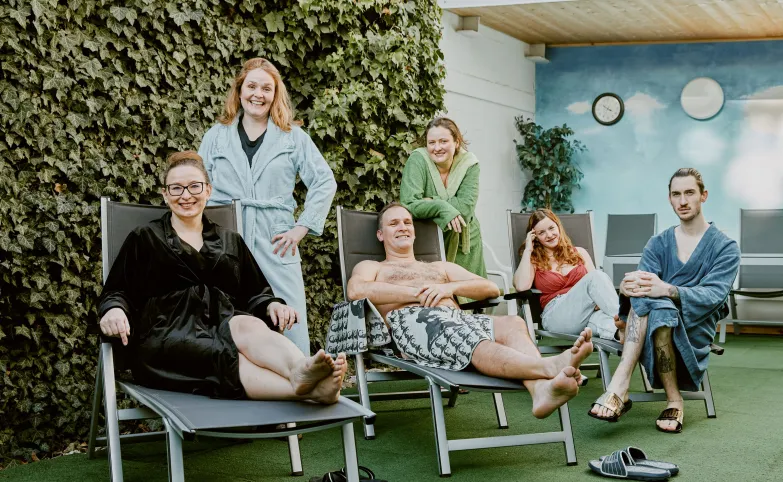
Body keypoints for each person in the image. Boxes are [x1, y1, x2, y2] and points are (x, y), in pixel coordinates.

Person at [96, 151, 345, 403]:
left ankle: (298, 368)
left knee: (248, 325)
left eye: (194, 186)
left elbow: (256, 292)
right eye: (176, 188)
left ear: (208, 190)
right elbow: (117, 290)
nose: (186, 195)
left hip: (222, 323)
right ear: (165, 194)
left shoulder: (230, 240)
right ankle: (313, 391)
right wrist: (114, 310)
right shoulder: (145, 237)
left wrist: (272, 305)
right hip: (166, 336)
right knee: (223, 351)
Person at [346, 202, 594, 419]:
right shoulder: (373, 266)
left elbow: (489, 288)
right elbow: (356, 290)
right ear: (380, 234)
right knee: (465, 335)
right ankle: (548, 367)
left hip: (456, 319)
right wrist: (417, 294)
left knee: (513, 323)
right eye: (394, 223)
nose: (403, 227)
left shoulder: (439, 267)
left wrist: (449, 288)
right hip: (417, 325)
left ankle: (540, 391)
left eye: (407, 222)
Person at [198, 57, 337, 355]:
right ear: (239, 90)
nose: (257, 94)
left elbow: (324, 181)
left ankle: (298, 372)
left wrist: (301, 228)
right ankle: (234, 376)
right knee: (224, 310)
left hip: (276, 238)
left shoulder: (293, 137)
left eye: (266, 88)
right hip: (226, 236)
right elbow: (198, 185)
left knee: (289, 314)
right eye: (251, 86)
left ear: (275, 94)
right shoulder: (216, 136)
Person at [588, 168, 740, 433]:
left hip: (695, 324)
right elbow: (643, 285)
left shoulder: (725, 247)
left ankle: (620, 386)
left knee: (657, 306)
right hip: (652, 318)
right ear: (669, 199)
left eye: (689, 193)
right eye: (676, 194)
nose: (683, 201)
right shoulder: (658, 243)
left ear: (703, 196)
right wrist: (628, 288)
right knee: (651, 303)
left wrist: (668, 290)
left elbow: (713, 296)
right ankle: (672, 400)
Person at [513, 209, 624, 342]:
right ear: (535, 237)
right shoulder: (533, 260)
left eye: (551, 228)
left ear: (558, 226)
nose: (549, 235)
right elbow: (521, 286)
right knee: (596, 276)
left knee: (609, 324)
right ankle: (625, 319)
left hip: (586, 314)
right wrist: (528, 250)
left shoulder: (580, 253)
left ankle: (626, 333)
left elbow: (598, 289)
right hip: (556, 317)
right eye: (541, 232)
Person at [400, 117, 486, 279]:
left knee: (471, 290)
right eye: (431, 142)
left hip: (464, 241)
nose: (437, 148)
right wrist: (440, 206)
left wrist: (430, 201)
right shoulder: (418, 160)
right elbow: (409, 203)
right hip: (429, 239)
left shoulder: (469, 163)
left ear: (457, 142)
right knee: (433, 290)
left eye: (443, 141)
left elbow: (465, 209)